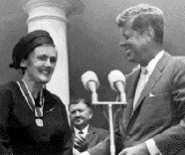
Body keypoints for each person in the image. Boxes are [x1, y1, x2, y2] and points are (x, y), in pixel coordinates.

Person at [79, 3, 185, 155]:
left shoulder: (179, 68)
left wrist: (148, 148)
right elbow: (119, 137)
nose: (122, 43)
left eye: (127, 37)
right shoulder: (127, 82)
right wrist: (87, 154)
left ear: (148, 34)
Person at [0, 30, 72, 154]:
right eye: (42, 58)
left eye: (53, 60)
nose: (48, 64)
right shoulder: (7, 94)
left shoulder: (55, 103)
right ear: (23, 61)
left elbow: (65, 147)